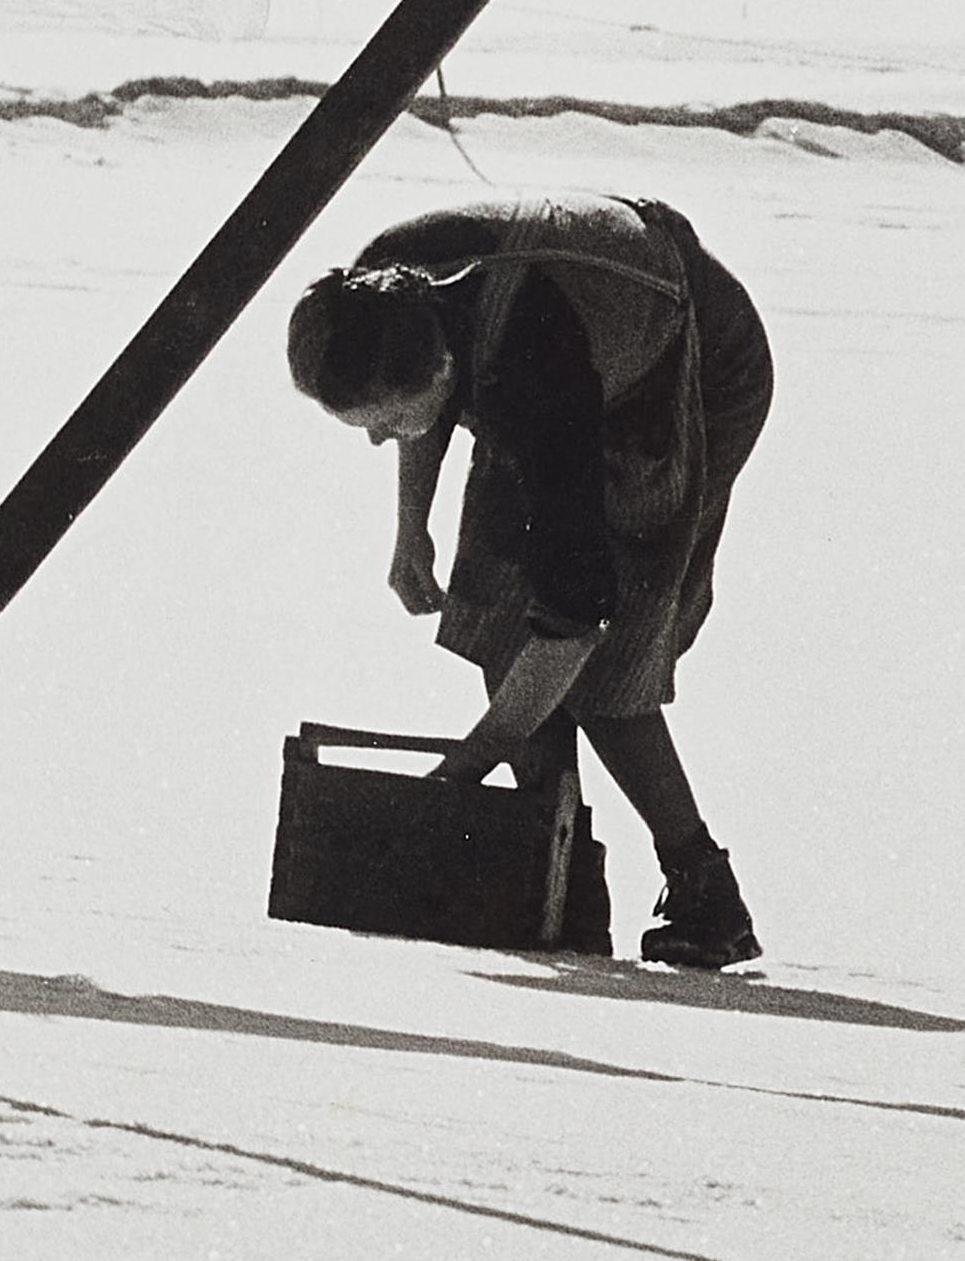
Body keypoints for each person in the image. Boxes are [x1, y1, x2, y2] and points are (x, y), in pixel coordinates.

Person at [286, 193, 771, 967]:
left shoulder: (536, 380)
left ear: (446, 370)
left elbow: (578, 618)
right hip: (566, 341)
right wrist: (413, 525)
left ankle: (705, 892)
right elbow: (418, 390)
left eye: (383, 421)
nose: (379, 439)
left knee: (604, 657)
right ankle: (557, 872)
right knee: (493, 613)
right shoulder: (380, 290)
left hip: (697, 362)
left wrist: (460, 772)